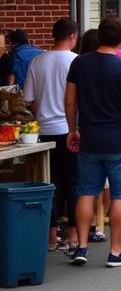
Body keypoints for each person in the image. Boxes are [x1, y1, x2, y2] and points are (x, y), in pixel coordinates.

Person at [64, 17, 121, 268]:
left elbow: (70, 101)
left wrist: (72, 130)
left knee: (86, 191)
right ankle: (116, 251)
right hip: (119, 140)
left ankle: (81, 246)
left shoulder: (79, 63)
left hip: (89, 137)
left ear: (99, 36)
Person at [23, 18, 79, 250]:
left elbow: (29, 100)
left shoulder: (37, 61)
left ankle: (51, 235)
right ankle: (74, 235)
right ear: (73, 37)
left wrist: (41, 115)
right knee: (74, 182)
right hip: (70, 130)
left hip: (44, 131)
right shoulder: (76, 61)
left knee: (50, 182)